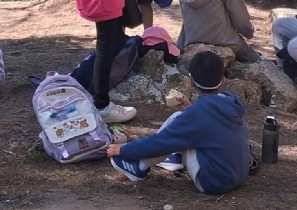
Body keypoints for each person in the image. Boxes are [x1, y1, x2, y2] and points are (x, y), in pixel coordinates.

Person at [107, 50, 251, 195]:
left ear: (191, 81)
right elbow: (213, 126)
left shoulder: (196, 115)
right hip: (238, 174)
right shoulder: (230, 103)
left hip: (212, 182)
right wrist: (191, 109)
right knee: (185, 125)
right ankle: (173, 157)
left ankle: (139, 165)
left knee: (177, 119)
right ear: (223, 79)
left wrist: (124, 149)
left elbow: (161, 141)